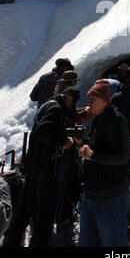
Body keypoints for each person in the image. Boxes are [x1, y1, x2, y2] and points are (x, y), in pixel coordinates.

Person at [4, 86, 81, 247]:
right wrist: (63, 141)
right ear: (67, 97)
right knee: (44, 214)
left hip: (35, 166)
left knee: (25, 210)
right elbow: (43, 130)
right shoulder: (55, 108)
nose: (72, 105)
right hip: (44, 169)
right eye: (72, 101)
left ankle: (11, 242)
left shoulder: (49, 105)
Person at [78, 79, 130, 247]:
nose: (89, 104)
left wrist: (93, 156)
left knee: (112, 243)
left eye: (93, 100)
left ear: (105, 100)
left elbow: (123, 157)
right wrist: (83, 142)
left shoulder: (117, 120)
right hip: (92, 193)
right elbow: (99, 146)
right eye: (89, 100)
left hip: (110, 196)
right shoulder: (98, 118)